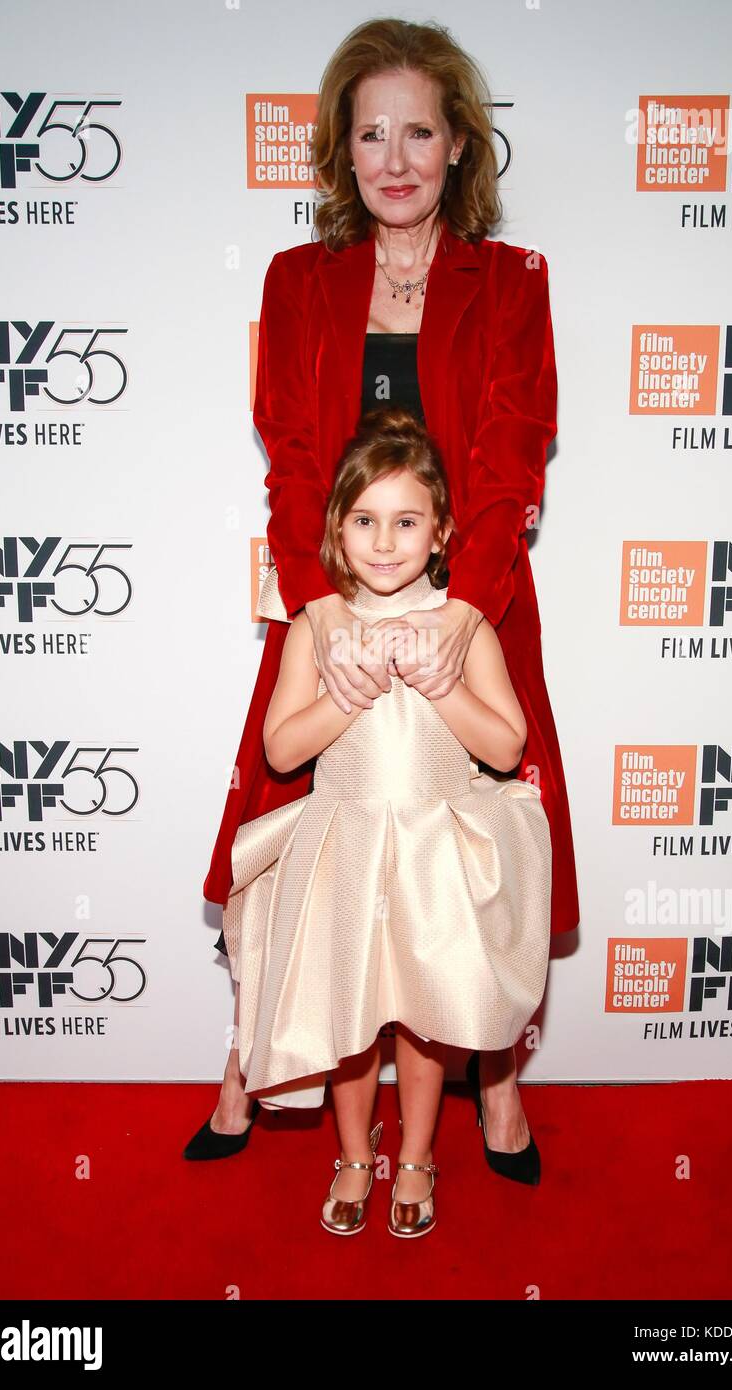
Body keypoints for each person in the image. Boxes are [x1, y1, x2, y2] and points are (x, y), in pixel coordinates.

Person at [184, 16, 579, 1178]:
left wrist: (459, 619)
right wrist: (320, 615)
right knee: (291, 826)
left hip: (471, 599)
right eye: (370, 133)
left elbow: (511, 463)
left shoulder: (508, 281)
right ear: (340, 149)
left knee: (478, 840)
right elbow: (293, 459)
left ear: (459, 141)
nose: (394, 156)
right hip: (327, 602)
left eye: (418, 129)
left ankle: (494, 1082)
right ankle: (248, 1064)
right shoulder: (300, 281)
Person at [221, 406, 552, 1236]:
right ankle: (354, 1156)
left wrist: (440, 684)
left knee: (428, 1015)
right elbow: (281, 749)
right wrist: (346, 691)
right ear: (337, 528)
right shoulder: (316, 629)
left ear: (440, 533)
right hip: (347, 848)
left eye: (406, 521)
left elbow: (509, 746)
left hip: (434, 855)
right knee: (351, 1013)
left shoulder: (459, 628)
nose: (383, 540)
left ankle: (416, 1158)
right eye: (364, 520)